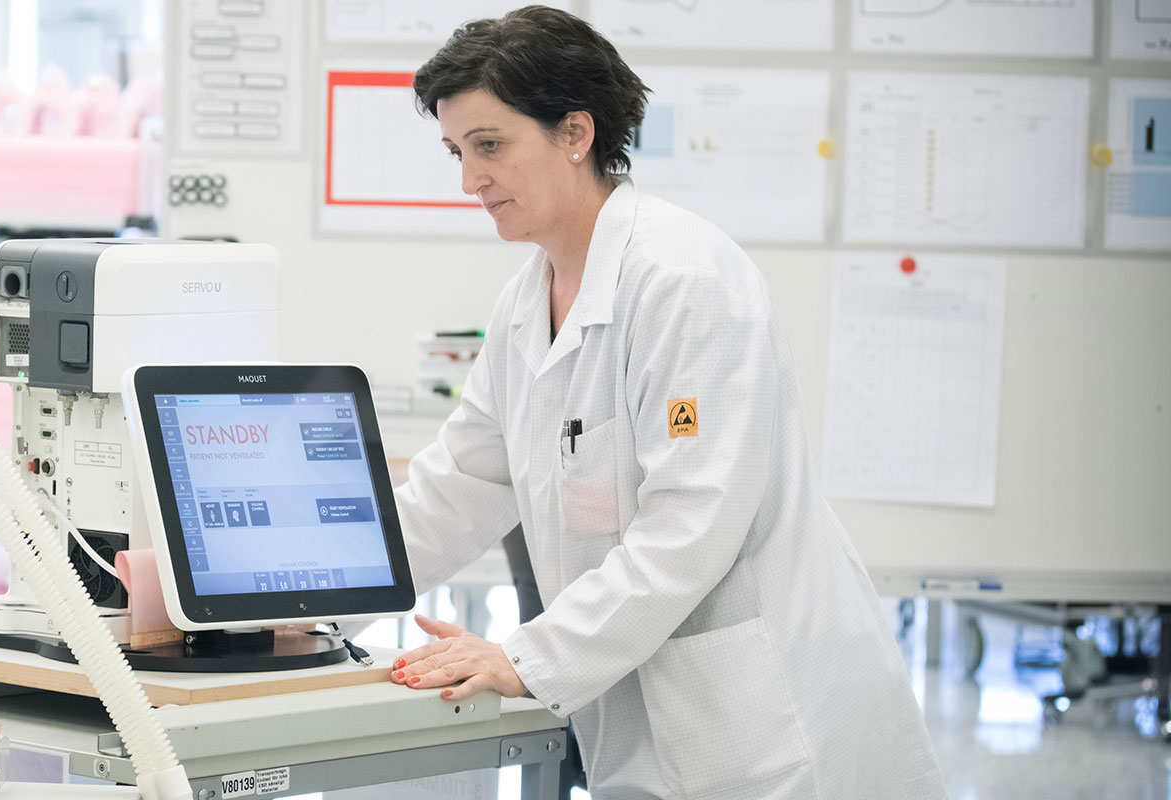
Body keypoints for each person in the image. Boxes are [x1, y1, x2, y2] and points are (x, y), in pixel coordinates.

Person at [388, 8, 946, 798]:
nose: (470, 180)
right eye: (458, 152)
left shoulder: (686, 282)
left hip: (763, 723)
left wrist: (523, 657)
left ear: (574, 133)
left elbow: (690, 527)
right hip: (646, 719)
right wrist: (314, 598)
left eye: (490, 146)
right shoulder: (528, 301)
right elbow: (460, 484)